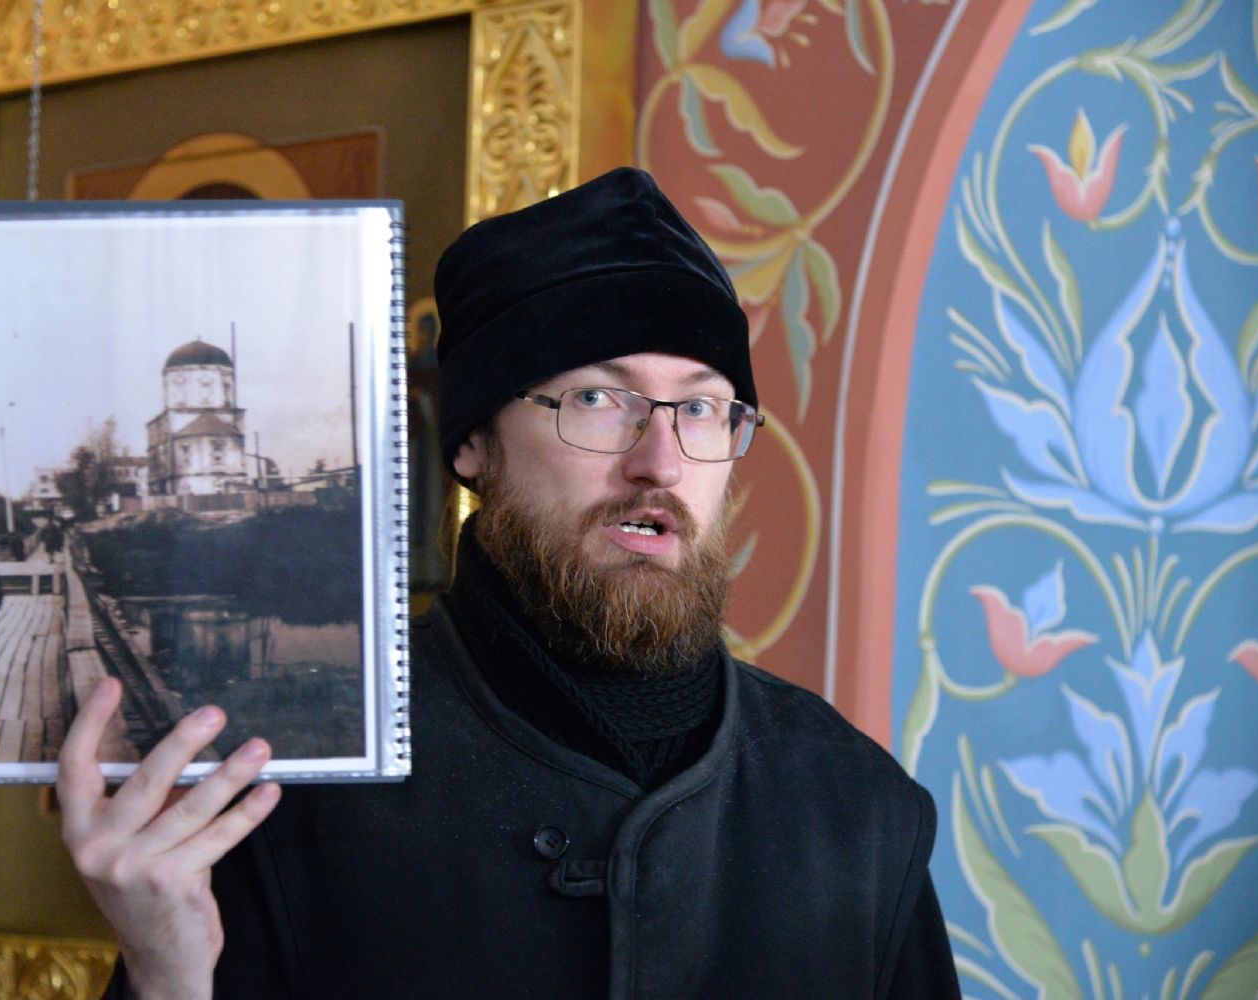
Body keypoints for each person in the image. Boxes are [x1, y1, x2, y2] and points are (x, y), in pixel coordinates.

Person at [59, 167, 961, 999]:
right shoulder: (286, 785)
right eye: (597, 399)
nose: (660, 462)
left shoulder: (859, 808)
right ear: (472, 444)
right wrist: (167, 977)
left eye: (699, 408)